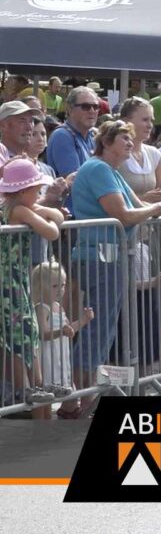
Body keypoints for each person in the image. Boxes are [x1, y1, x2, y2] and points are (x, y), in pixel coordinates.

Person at [69, 121, 161, 413]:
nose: (130, 142)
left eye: (130, 137)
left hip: (108, 256)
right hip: (100, 256)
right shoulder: (99, 169)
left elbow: (140, 204)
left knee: (103, 329)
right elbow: (126, 215)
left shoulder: (109, 170)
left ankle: (84, 399)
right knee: (97, 329)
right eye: (124, 138)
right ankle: (80, 401)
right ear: (107, 141)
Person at [1, 158, 65, 415]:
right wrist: (42, 213)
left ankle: (37, 383)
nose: (39, 193)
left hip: (17, 279)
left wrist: (42, 210)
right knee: (22, 331)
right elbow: (53, 232)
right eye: (36, 189)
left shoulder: (22, 208)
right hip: (8, 281)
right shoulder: (18, 211)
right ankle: (31, 386)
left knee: (29, 329)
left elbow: (58, 216)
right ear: (24, 191)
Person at [32, 262, 93, 419]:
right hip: (47, 358)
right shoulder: (42, 308)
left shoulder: (58, 306)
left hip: (60, 358)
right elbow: (43, 333)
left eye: (63, 285)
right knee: (45, 395)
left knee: (57, 393)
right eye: (54, 286)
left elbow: (68, 329)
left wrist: (83, 321)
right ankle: (42, 427)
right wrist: (61, 332)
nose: (60, 290)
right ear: (41, 286)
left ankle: (56, 419)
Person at [117, 98, 161, 203]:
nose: (150, 125)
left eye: (151, 120)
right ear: (126, 121)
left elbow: (158, 194)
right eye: (145, 120)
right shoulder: (113, 153)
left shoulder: (154, 153)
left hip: (149, 216)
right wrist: (142, 199)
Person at [46, 86, 99, 180]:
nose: (92, 111)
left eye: (95, 107)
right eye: (85, 107)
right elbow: (76, 181)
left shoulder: (92, 135)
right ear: (70, 109)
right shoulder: (62, 136)